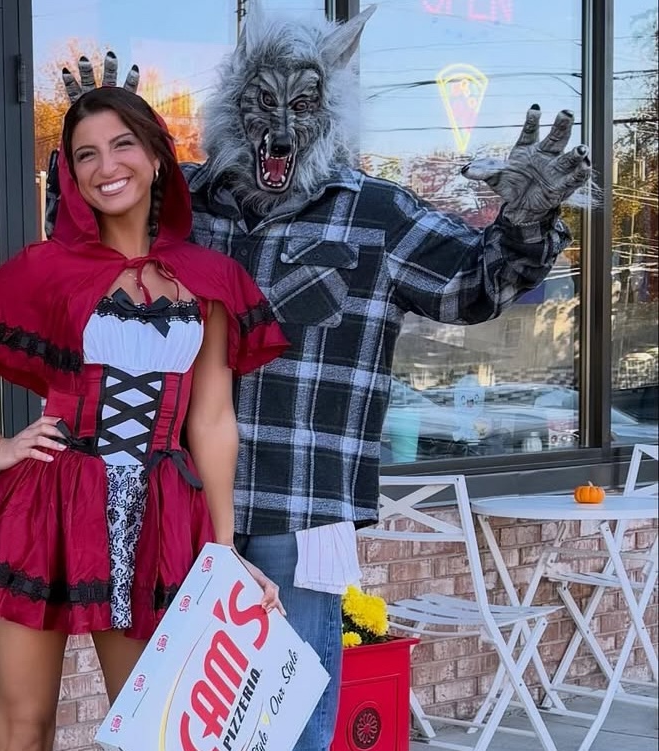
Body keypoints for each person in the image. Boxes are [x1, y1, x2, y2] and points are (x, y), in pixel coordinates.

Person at [45, 6, 593, 750]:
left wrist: (524, 218)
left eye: (300, 103)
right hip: (172, 501)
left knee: (290, 715)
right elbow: (84, 261)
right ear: (233, 109)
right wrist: (99, 151)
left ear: (328, 111)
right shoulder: (181, 205)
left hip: (300, 511)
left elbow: (473, 286)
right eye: (260, 102)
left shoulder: (378, 214)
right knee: (168, 715)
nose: (278, 125)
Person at [0, 86, 289, 751]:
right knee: (24, 727)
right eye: (85, 154)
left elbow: (212, 419)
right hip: (47, 506)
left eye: (121, 145)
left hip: (160, 517)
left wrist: (223, 549)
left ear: (156, 158)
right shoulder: (47, 269)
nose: (105, 165)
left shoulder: (210, 277)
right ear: (71, 175)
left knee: (157, 732)